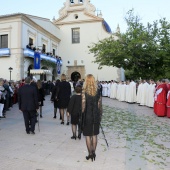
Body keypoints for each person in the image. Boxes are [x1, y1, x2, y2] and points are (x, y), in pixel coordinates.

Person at [81, 74, 102, 161]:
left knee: (87, 136)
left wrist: (81, 115)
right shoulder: (98, 92)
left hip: (87, 116)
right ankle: (94, 153)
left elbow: (83, 106)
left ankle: (90, 153)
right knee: (94, 135)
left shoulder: (84, 92)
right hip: (95, 115)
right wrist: (99, 115)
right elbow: (99, 105)